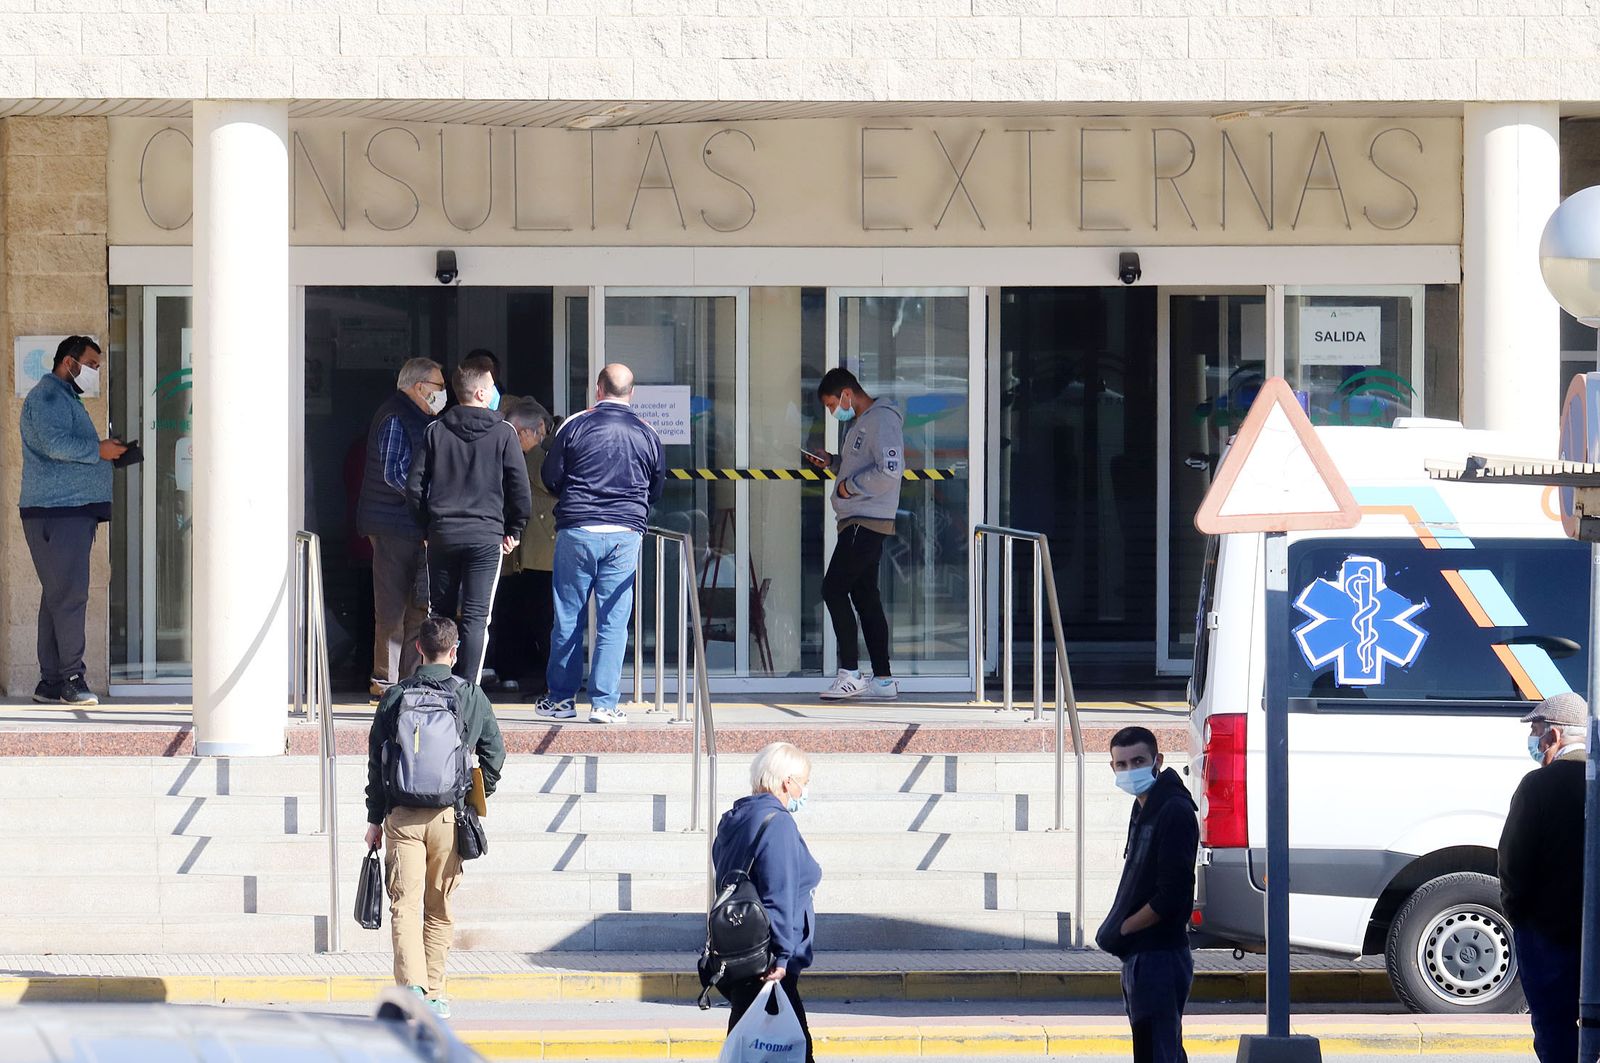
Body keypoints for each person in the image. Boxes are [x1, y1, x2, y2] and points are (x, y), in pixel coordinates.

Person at [363, 615, 505, 1020]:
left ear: (418, 649)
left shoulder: (396, 696)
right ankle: (436, 995)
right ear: (455, 651)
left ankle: (410, 988)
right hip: (449, 817)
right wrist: (475, 797)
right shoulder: (471, 696)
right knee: (439, 908)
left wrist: (375, 818)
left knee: (405, 907)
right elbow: (495, 755)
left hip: (402, 816)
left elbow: (377, 763)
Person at [534, 364, 665, 725]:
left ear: (597, 389)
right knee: (613, 621)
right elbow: (656, 488)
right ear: (631, 393)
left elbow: (550, 477)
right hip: (625, 534)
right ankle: (605, 704)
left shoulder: (575, 424)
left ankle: (561, 699)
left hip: (577, 529)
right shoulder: (647, 432)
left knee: (568, 616)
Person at [406, 359, 531, 683]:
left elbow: (414, 486)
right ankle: (468, 691)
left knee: (440, 615)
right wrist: (514, 529)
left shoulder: (436, 430)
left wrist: (426, 526)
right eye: (491, 389)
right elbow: (519, 486)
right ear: (479, 393)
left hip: (443, 534)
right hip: (485, 536)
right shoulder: (503, 432)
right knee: (477, 619)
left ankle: (437, 682)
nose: (495, 395)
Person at [19, 335, 125, 707]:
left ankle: (49, 682)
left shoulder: (64, 398)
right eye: (92, 365)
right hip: (57, 512)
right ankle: (72, 680)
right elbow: (54, 445)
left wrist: (111, 454)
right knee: (71, 595)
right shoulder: (47, 397)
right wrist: (99, 449)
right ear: (70, 362)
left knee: (57, 596)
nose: (95, 372)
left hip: (66, 511)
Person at [711, 741, 821, 1063]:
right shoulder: (778, 823)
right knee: (796, 1051)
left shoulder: (735, 820)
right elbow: (780, 892)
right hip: (770, 959)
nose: (803, 790)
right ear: (788, 781)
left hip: (742, 952)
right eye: (804, 782)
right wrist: (784, 956)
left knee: (749, 1049)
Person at [1095, 726, 1199, 1063]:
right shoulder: (1146, 806)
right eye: (1121, 764)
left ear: (1158, 760)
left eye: (1138, 761)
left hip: (1158, 956)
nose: (1130, 770)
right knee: (1156, 1050)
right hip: (1143, 956)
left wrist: (1125, 929)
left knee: (1158, 1053)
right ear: (1112, 768)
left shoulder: (1173, 810)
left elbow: (1172, 895)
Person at [804, 368, 904, 702]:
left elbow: (890, 470)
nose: (834, 412)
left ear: (848, 393)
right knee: (865, 597)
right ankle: (883, 679)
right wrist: (833, 463)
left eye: (833, 404)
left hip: (866, 519)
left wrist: (850, 487)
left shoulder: (881, 420)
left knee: (832, 589)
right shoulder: (860, 424)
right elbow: (861, 464)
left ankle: (850, 673)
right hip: (859, 518)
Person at [1499, 691, 1588, 1063]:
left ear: (1554, 735)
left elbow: (1513, 860)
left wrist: (1518, 914)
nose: (1534, 740)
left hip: (1549, 933)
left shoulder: (1538, 785)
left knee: (1555, 1030)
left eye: (1536, 730)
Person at [357, 357, 447, 700]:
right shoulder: (397, 415)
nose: (443, 395)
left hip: (411, 525)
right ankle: (385, 683)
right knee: (393, 609)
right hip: (393, 524)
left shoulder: (420, 418)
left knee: (416, 608)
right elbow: (394, 473)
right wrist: (426, 503)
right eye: (439, 387)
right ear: (420, 386)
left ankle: (408, 680)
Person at [489, 397, 554, 696]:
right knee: (524, 614)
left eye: (520, 434)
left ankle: (549, 678)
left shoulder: (544, 455)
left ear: (539, 427)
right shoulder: (535, 453)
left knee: (543, 617)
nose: (515, 440)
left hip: (541, 552)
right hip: (526, 550)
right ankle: (522, 674)